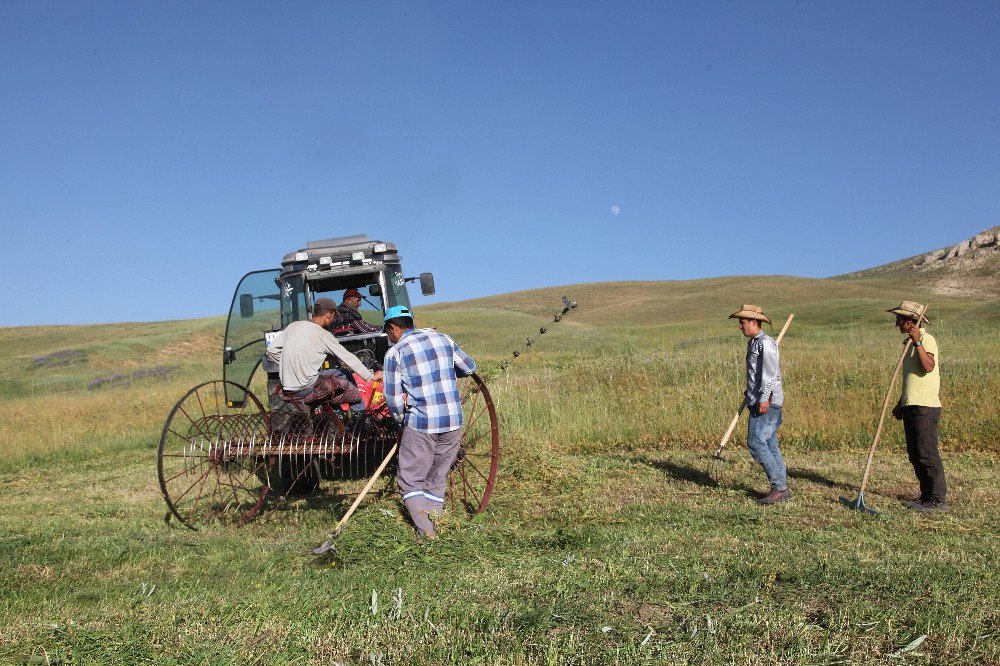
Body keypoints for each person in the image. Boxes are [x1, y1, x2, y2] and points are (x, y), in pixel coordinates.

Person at [381, 305, 476, 538]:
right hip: (453, 421)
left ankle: (427, 532)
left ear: (393, 328)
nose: (389, 338)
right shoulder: (443, 339)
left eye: (388, 333)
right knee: (436, 477)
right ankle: (435, 525)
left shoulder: (395, 352)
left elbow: (393, 398)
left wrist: (401, 421)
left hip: (422, 423)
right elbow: (470, 368)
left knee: (410, 480)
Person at [265, 298, 382, 408]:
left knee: (329, 374)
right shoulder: (324, 335)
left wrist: (291, 364)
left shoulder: (293, 326)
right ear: (329, 315)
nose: (333, 320)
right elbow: (348, 357)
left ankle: (336, 412)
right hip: (307, 386)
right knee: (345, 373)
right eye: (333, 317)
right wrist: (370, 376)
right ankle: (360, 415)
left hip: (288, 387)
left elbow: (271, 350)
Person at [887, 301, 946, 512]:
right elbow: (913, 379)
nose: (896, 323)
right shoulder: (909, 343)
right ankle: (926, 496)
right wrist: (900, 403)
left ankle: (938, 499)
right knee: (914, 453)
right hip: (911, 404)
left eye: (899, 319)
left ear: (910, 321)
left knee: (927, 453)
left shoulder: (926, 339)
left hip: (925, 406)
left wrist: (918, 342)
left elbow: (928, 367)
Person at [730, 304, 790, 505]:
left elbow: (770, 374)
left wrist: (764, 398)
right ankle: (782, 486)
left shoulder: (766, 343)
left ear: (753, 322)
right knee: (770, 444)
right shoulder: (754, 343)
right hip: (757, 399)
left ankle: (779, 487)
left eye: (742, 323)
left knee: (755, 442)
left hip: (768, 402)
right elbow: (756, 374)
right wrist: (751, 392)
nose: (740, 327)